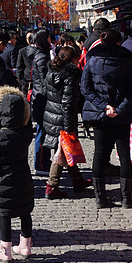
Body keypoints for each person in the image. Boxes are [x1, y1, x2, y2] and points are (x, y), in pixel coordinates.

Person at [81, 29, 132, 209]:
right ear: (118, 42)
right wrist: (119, 109)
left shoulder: (92, 61)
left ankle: (100, 198)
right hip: (122, 116)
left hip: (100, 116)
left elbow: (86, 89)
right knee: (124, 156)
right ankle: (126, 199)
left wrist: (104, 107)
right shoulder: (127, 61)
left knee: (100, 153)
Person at [0, 86, 35, 261]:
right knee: (25, 213)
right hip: (23, 180)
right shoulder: (26, 134)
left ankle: (5, 250)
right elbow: (28, 121)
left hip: (3, 183)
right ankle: (25, 246)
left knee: (5, 215)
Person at [41, 45, 90, 199]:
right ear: (74, 59)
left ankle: (77, 180)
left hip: (51, 116)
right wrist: (69, 127)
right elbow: (68, 103)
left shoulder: (51, 71)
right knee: (60, 152)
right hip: (63, 118)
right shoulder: (70, 75)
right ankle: (51, 186)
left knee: (65, 150)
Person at [28, 30, 53, 173]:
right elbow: (45, 80)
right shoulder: (42, 57)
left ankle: (42, 162)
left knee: (42, 130)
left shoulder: (38, 55)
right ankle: (41, 164)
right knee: (43, 131)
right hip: (42, 97)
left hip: (39, 96)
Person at [14, 31, 35, 95]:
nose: (29, 40)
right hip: (26, 82)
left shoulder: (40, 50)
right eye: (27, 38)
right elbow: (19, 66)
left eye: (30, 37)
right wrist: (21, 81)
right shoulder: (22, 51)